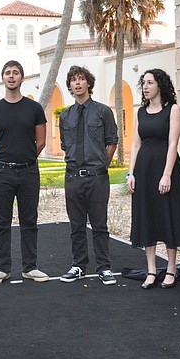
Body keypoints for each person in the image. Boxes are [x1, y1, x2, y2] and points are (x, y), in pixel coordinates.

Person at [128, 69, 180, 289]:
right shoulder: (141, 112)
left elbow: (172, 144)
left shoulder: (173, 110)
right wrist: (131, 173)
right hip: (144, 170)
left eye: (150, 82)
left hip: (166, 169)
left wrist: (166, 174)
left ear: (160, 85)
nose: (146, 87)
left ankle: (171, 268)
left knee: (169, 216)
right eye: (143, 83)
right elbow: (136, 144)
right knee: (147, 216)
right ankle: (150, 269)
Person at [0, 60, 49, 284]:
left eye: (16, 73)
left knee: (29, 221)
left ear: (22, 78)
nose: (11, 76)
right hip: (1, 173)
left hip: (29, 172)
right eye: (7, 73)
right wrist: (3, 162)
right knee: (1, 222)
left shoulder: (34, 109)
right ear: (3, 78)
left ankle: (30, 267)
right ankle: (2, 268)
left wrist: (25, 159)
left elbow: (40, 142)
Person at [58, 65, 118, 285]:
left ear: (88, 83)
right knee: (76, 225)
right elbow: (66, 145)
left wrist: (102, 164)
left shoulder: (103, 111)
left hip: (97, 177)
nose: (77, 83)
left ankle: (104, 267)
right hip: (73, 177)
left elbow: (112, 141)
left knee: (100, 224)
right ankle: (79, 266)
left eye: (81, 79)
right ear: (70, 86)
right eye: (73, 80)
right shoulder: (66, 115)